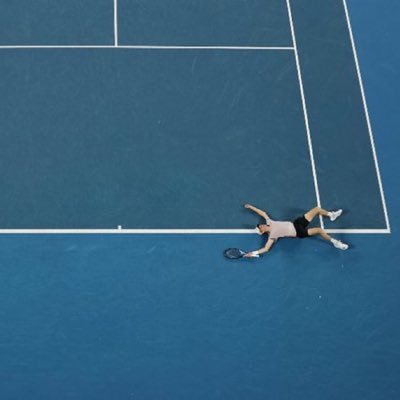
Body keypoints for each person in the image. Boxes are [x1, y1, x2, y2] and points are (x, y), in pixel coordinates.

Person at [243, 203, 349, 257]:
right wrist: (253, 253)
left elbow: (262, 213)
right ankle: (335, 243)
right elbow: (266, 249)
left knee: (316, 209)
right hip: (299, 232)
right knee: (319, 230)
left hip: (297, 223)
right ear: (262, 231)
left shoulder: (269, 222)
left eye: (259, 225)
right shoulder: (272, 236)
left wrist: (251, 207)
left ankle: (331, 215)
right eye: (259, 227)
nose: (260, 225)